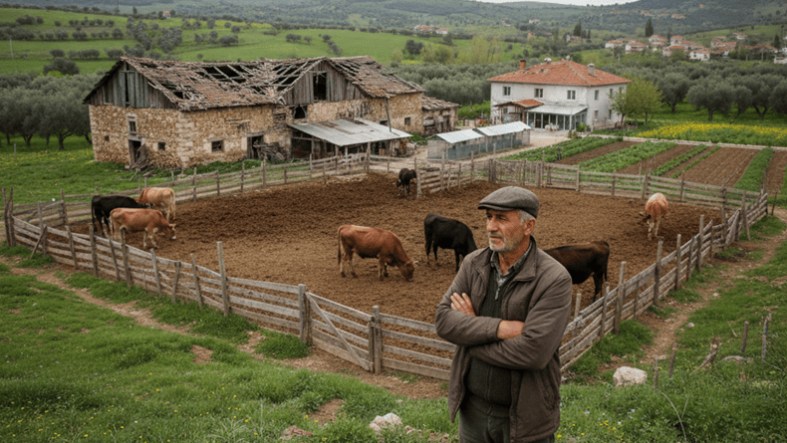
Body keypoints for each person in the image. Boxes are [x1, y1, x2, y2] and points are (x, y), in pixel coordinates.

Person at [434, 186, 573, 443]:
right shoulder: (473, 264)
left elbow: (533, 353)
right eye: (489, 217)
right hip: (473, 413)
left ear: (528, 226)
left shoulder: (553, 279)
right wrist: (501, 328)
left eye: (501, 218)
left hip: (525, 419)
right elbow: (443, 320)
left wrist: (470, 335)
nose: (490, 227)